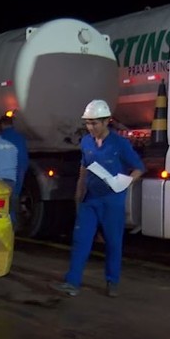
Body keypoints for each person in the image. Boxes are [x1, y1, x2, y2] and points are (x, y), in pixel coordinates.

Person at [55, 99, 143, 298]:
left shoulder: (120, 144)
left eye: (94, 123)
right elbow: (84, 168)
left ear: (106, 122)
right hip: (90, 200)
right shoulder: (86, 142)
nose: (90, 127)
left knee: (113, 242)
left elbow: (139, 167)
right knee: (81, 240)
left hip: (112, 201)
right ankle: (72, 283)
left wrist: (127, 182)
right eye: (88, 123)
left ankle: (112, 282)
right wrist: (79, 193)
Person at [0, 113, 29, 226]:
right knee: (14, 198)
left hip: (1, 175)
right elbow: (23, 159)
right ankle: (13, 223)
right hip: (17, 173)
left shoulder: (0, 138)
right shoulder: (20, 138)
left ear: (1, 125)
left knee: (2, 203)